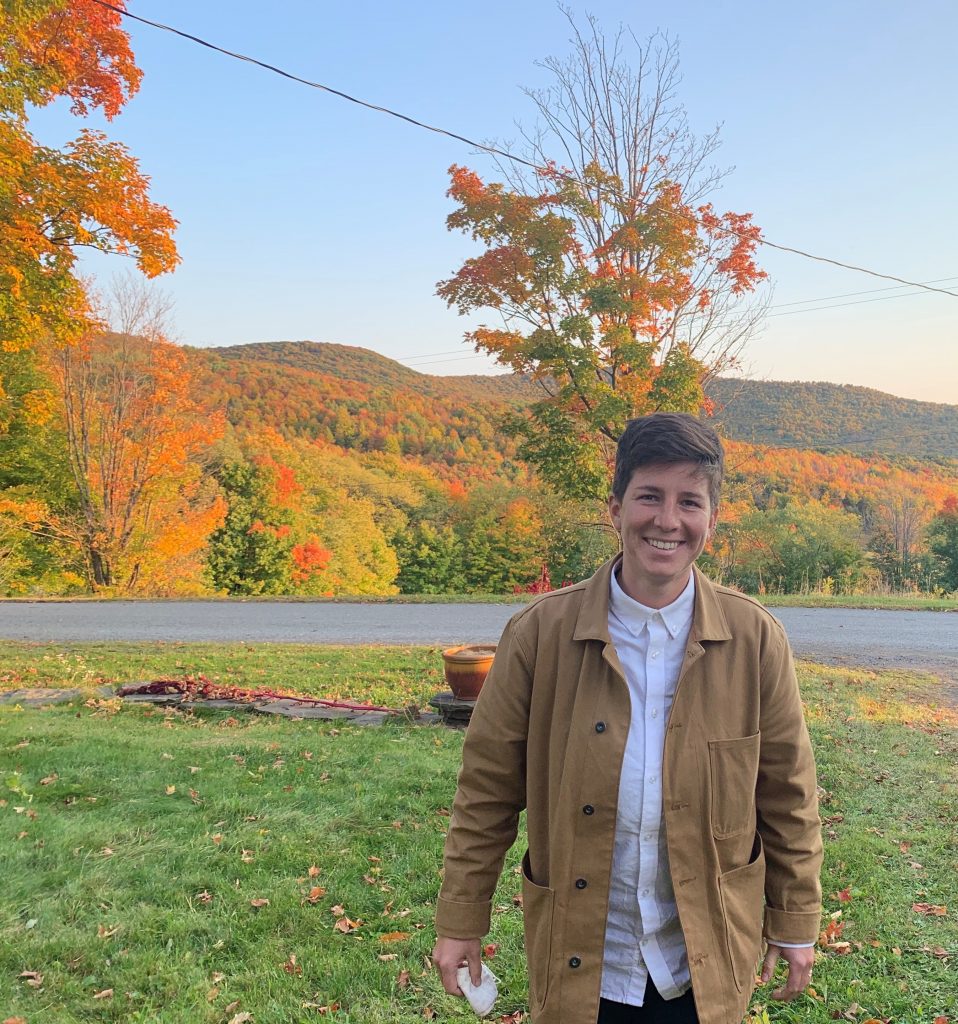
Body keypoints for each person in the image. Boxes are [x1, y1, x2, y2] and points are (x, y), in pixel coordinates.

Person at [431, 413, 823, 1024]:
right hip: (583, 959)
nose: (667, 520)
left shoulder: (755, 638)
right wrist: (462, 917)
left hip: (705, 957)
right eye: (649, 496)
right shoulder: (538, 635)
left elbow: (788, 795)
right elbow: (487, 790)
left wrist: (794, 919)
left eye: (689, 501)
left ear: (712, 520)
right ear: (615, 508)